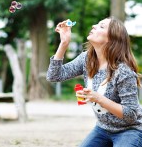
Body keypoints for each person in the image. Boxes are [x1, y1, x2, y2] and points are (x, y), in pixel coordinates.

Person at [47, 17, 142, 147]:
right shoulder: (87, 59)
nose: (93, 26)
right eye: (96, 24)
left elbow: (131, 114)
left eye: (101, 26)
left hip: (130, 130)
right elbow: (54, 76)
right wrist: (64, 43)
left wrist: (99, 98)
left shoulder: (123, 71)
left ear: (112, 39)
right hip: (103, 129)